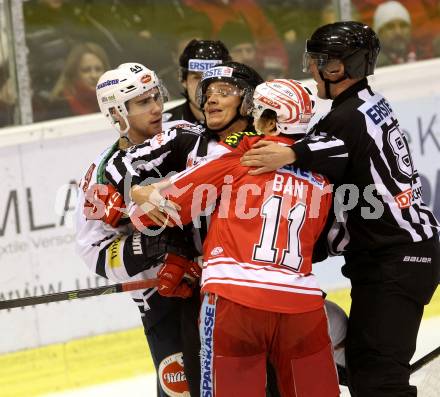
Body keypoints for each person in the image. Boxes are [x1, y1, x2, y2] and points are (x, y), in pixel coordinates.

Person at [240, 21, 440, 396]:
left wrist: (290, 152)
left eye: (316, 61)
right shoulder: (367, 104)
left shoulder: (345, 119)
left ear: (337, 68)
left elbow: (332, 151)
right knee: (364, 371)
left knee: (380, 382)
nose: (311, 69)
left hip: (396, 261)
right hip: (399, 255)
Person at [129, 79, 340, 397]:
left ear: (270, 121)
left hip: (235, 302)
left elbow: (157, 211)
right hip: (302, 306)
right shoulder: (322, 181)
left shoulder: (239, 160)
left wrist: (139, 199)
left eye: (256, 114)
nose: (251, 122)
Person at [101, 61, 265, 397]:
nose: (210, 101)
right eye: (207, 93)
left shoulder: (274, 147)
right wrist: (139, 190)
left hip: (263, 288)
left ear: (248, 101)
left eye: (223, 92)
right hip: (207, 295)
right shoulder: (186, 137)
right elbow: (121, 163)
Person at [75, 62, 201, 397]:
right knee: (182, 390)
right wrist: (147, 249)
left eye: (156, 96)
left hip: (218, 281)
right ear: (118, 113)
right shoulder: (101, 175)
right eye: (143, 102)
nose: (157, 107)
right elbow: (93, 251)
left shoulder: (187, 137)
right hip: (163, 298)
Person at [163, 39, 232, 125]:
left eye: (214, 77)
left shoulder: (246, 124)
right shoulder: (164, 126)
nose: (205, 86)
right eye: (197, 77)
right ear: (183, 80)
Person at [50, 42, 110, 118]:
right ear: (74, 74)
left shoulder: (114, 101)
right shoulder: (60, 107)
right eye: (86, 70)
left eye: (98, 69)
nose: (94, 75)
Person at [373, 1, 417, 66]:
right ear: (379, 32)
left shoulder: (426, 55)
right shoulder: (372, 65)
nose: (398, 32)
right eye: (390, 27)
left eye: (403, 25)